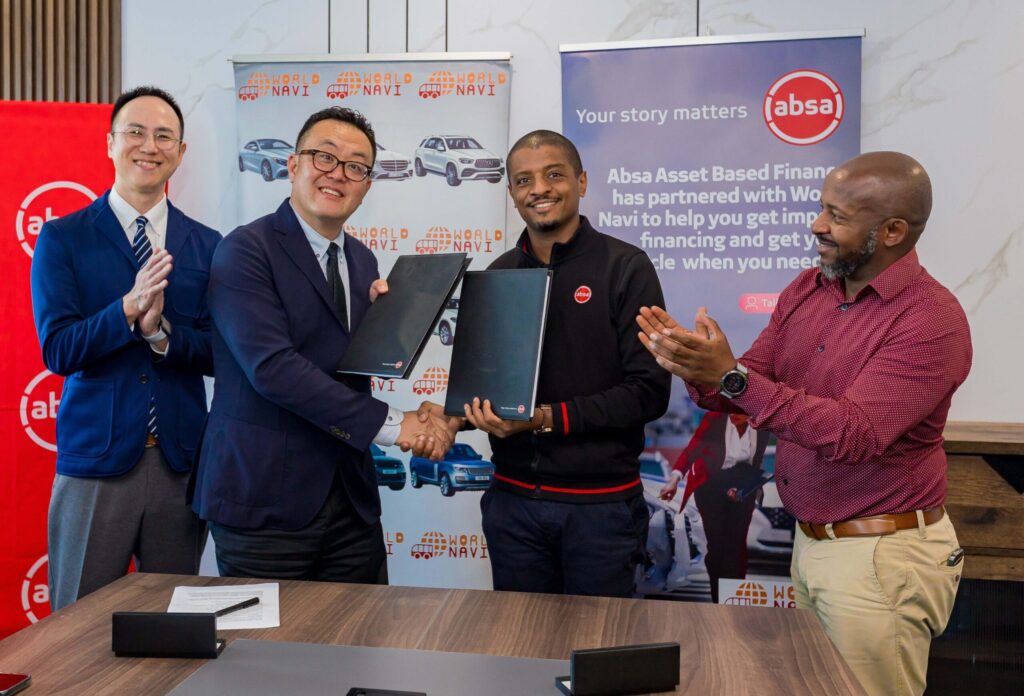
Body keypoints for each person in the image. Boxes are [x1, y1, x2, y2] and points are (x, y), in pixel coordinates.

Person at [637, 151, 971, 696]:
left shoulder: (930, 320)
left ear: (891, 231)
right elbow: (753, 379)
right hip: (814, 546)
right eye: (821, 208)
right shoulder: (807, 289)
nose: (817, 225)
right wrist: (699, 364)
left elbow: (853, 434)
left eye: (836, 216)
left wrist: (735, 378)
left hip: (880, 555)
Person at [189, 107, 455, 584]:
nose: (339, 174)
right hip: (264, 504)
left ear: (367, 185)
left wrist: (388, 329)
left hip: (350, 504)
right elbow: (274, 369)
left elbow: (343, 365)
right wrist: (397, 426)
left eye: (356, 166)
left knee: (358, 650)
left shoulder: (362, 259)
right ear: (293, 165)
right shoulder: (245, 250)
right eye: (324, 157)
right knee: (268, 656)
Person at [31, 86, 221, 610]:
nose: (149, 145)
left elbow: (219, 354)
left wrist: (162, 336)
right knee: (76, 632)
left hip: (180, 466)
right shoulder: (63, 238)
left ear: (181, 153)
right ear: (110, 143)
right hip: (95, 466)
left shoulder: (208, 245)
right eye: (135, 132)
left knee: (173, 627)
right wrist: (127, 310)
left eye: (165, 136)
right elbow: (59, 349)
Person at [461, 130, 670, 597]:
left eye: (554, 174)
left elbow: (648, 392)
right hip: (512, 507)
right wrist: (453, 418)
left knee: (595, 656)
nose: (539, 188)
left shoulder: (625, 267)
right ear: (511, 193)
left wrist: (545, 420)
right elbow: (486, 388)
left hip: (600, 511)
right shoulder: (498, 275)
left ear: (582, 181)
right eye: (524, 179)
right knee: (522, 654)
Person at [660, 411, 770, 602]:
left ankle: (734, 599)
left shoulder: (761, 427)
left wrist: (748, 487)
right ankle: (718, 597)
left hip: (742, 483)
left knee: (736, 545)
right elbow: (692, 448)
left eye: (740, 410)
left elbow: (756, 461)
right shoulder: (715, 418)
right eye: (730, 409)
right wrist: (674, 479)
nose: (733, 414)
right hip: (711, 484)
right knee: (717, 545)